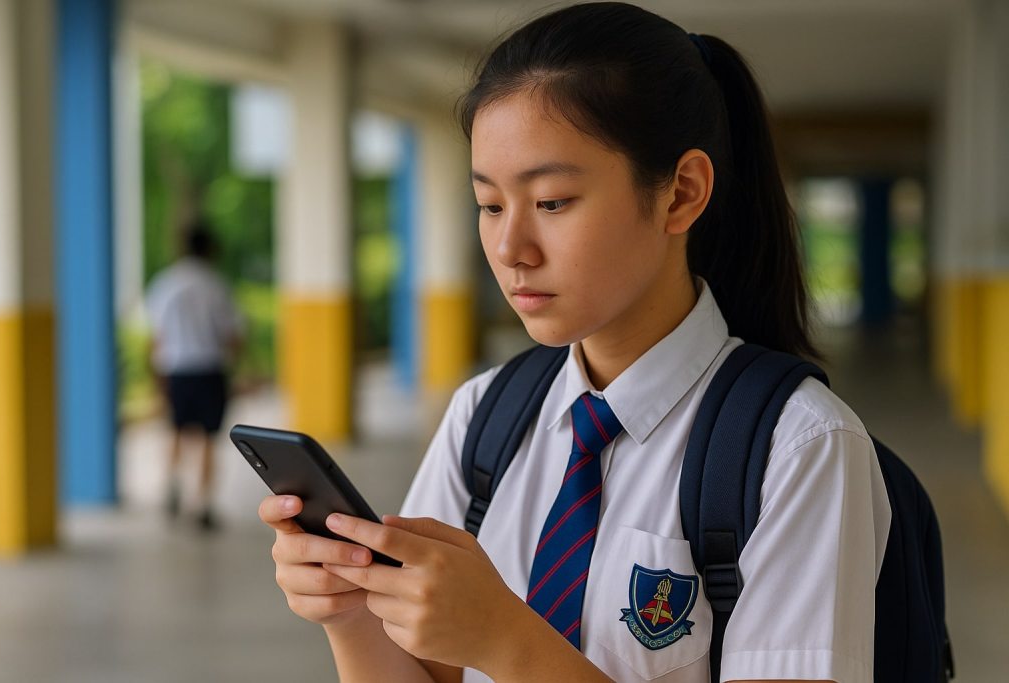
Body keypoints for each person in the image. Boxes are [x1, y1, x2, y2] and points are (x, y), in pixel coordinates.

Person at [258, 3, 891, 681]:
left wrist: (507, 639)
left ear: (681, 193)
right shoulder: (485, 416)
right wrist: (352, 609)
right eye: (491, 204)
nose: (510, 249)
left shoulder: (799, 449)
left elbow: (498, 642)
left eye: (553, 201)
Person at [146, 220, 245, 531]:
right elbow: (233, 336)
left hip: (175, 370)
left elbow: (155, 335)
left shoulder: (164, 284)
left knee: (175, 430)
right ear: (211, 249)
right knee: (207, 437)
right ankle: (201, 504)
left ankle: (171, 484)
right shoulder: (216, 286)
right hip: (209, 370)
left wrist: (156, 373)